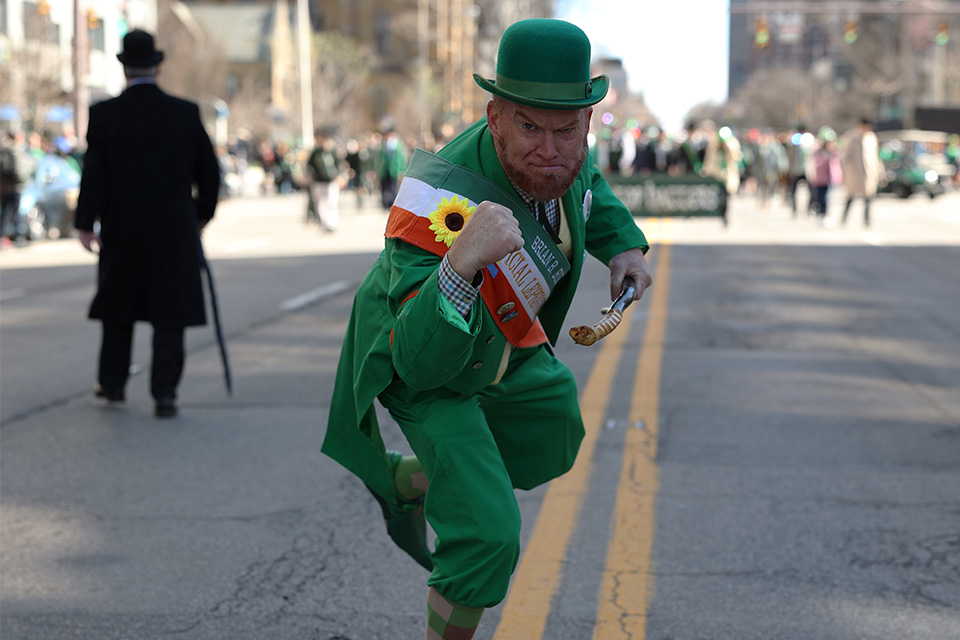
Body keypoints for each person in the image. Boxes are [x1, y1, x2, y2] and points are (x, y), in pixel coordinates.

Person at [322, 18, 652, 640]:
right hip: (420, 344)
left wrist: (624, 249)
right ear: (496, 115)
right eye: (529, 126)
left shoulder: (565, 152)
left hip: (500, 336)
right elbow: (421, 363)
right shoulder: (436, 201)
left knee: (554, 425)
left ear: (587, 121)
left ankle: (408, 480)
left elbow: (590, 189)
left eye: (565, 129)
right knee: (489, 534)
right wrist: (460, 262)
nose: (550, 149)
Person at [74, 29, 221, 418]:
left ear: (124, 69)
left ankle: (113, 384)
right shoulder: (185, 113)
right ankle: (165, 394)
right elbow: (209, 172)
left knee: (118, 308)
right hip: (174, 228)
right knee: (169, 312)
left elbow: (94, 174)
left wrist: (86, 223)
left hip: (122, 229)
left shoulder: (104, 114)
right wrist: (202, 213)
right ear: (158, 67)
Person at [840, 118, 883, 227]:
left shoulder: (871, 138)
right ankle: (844, 218)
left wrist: (880, 172)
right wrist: (844, 173)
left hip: (869, 174)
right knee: (850, 198)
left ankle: (867, 220)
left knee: (868, 199)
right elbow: (846, 158)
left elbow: (876, 157)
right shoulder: (853, 138)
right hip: (855, 174)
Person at [1, 129, 34, 247]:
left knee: (6, 212)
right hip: (16, 186)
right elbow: (23, 168)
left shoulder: (3, 150)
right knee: (13, 212)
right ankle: (18, 237)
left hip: (5, 186)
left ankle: (6, 237)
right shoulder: (16, 150)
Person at [305, 128, 343, 231]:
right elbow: (309, 166)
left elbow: (339, 165)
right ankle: (325, 223)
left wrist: (339, 177)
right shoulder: (315, 153)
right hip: (318, 182)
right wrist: (310, 176)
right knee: (320, 204)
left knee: (332, 202)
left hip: (331, 181)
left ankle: (333, 223)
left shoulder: (332, 152)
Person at [806, 127, 842, 225]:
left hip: (831, 178)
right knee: (821, 197)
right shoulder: (818, 151)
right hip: (820, 178)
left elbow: (836, 164)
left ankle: (824, 214)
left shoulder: (834, 151)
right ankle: (821, 213)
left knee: (828, 198)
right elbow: (814, 163)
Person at [375, 125, 408, 210]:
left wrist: (402, 170)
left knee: (393, 187)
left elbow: (402, 159)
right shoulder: (383, 145)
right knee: (384, 186)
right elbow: (379, 158)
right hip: (384, 169)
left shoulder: (398, 145)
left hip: (394, 169)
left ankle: (391, 203)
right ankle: (385, 202)